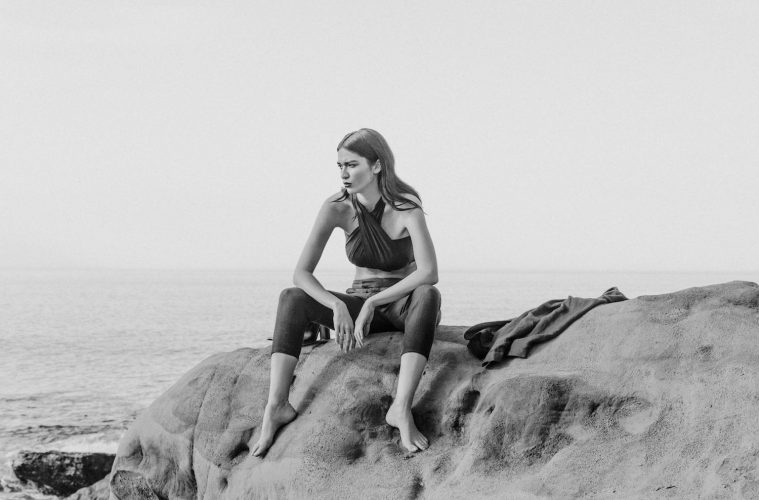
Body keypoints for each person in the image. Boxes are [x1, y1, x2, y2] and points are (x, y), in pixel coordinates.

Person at [251, 128, 441, 457]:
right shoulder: (336, 207)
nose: (344, 174)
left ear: (377, 165)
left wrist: (374, 302)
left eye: (352, 165)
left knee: (428, 295)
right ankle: (277, 406)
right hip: (358, 303)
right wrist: (337, 304)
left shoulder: (406, 206)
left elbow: (429, 272)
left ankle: (400, 408)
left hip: (402, 304)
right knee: (291, 298)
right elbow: (301, 273)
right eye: (340, 166)